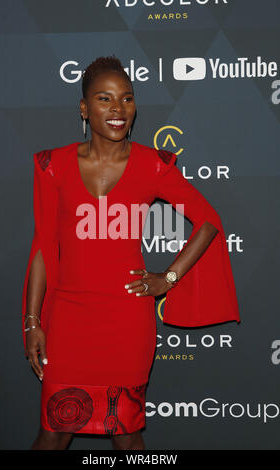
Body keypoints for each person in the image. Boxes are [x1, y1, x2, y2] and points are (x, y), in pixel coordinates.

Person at [21, 55, 240, 450]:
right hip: (68, 319)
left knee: (125, 430)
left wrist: (167, 279)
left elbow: (208, 221)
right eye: (104, 99)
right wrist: (32, 320)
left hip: (127, 321)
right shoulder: (53, 165)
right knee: (54, 430)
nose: (118, 109)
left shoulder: (152, 165)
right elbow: (43, 248)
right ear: (85, 109)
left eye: (127, 98)